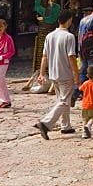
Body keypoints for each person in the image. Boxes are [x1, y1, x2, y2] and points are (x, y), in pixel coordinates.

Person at [34, 10, 79, 139]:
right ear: (69, 20)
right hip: (65, 73)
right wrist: (76, 74)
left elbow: (44, 56)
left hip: (53, 73)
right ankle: (46, 123)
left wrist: (42, 73)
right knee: (65, 101)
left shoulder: (50, 36)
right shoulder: (69, 37)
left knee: (62, 99)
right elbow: (71, 57)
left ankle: (66, 126)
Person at [73, 3, 93, 104]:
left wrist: (79, 50)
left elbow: (79, 35)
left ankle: (78, 93)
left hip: (83, 50)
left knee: (83, 73)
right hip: (92, 50)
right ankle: (91, 97)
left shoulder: (83, 20)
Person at [31, 0, 61, 75]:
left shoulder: (56, 7)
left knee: (51, 51)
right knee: (41, 52)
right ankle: (40, 71)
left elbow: (53, 18)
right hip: (42, 32)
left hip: (51, 31)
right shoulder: (44, 7)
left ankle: (50, 71)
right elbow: (36, 6)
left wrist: (43, 18)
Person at [78, 64, 93, 139]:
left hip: (84, 104)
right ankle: (88, 126)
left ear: (87, 75)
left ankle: (84, 133)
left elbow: (80, 89)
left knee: (85, 119)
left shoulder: (85, 83)